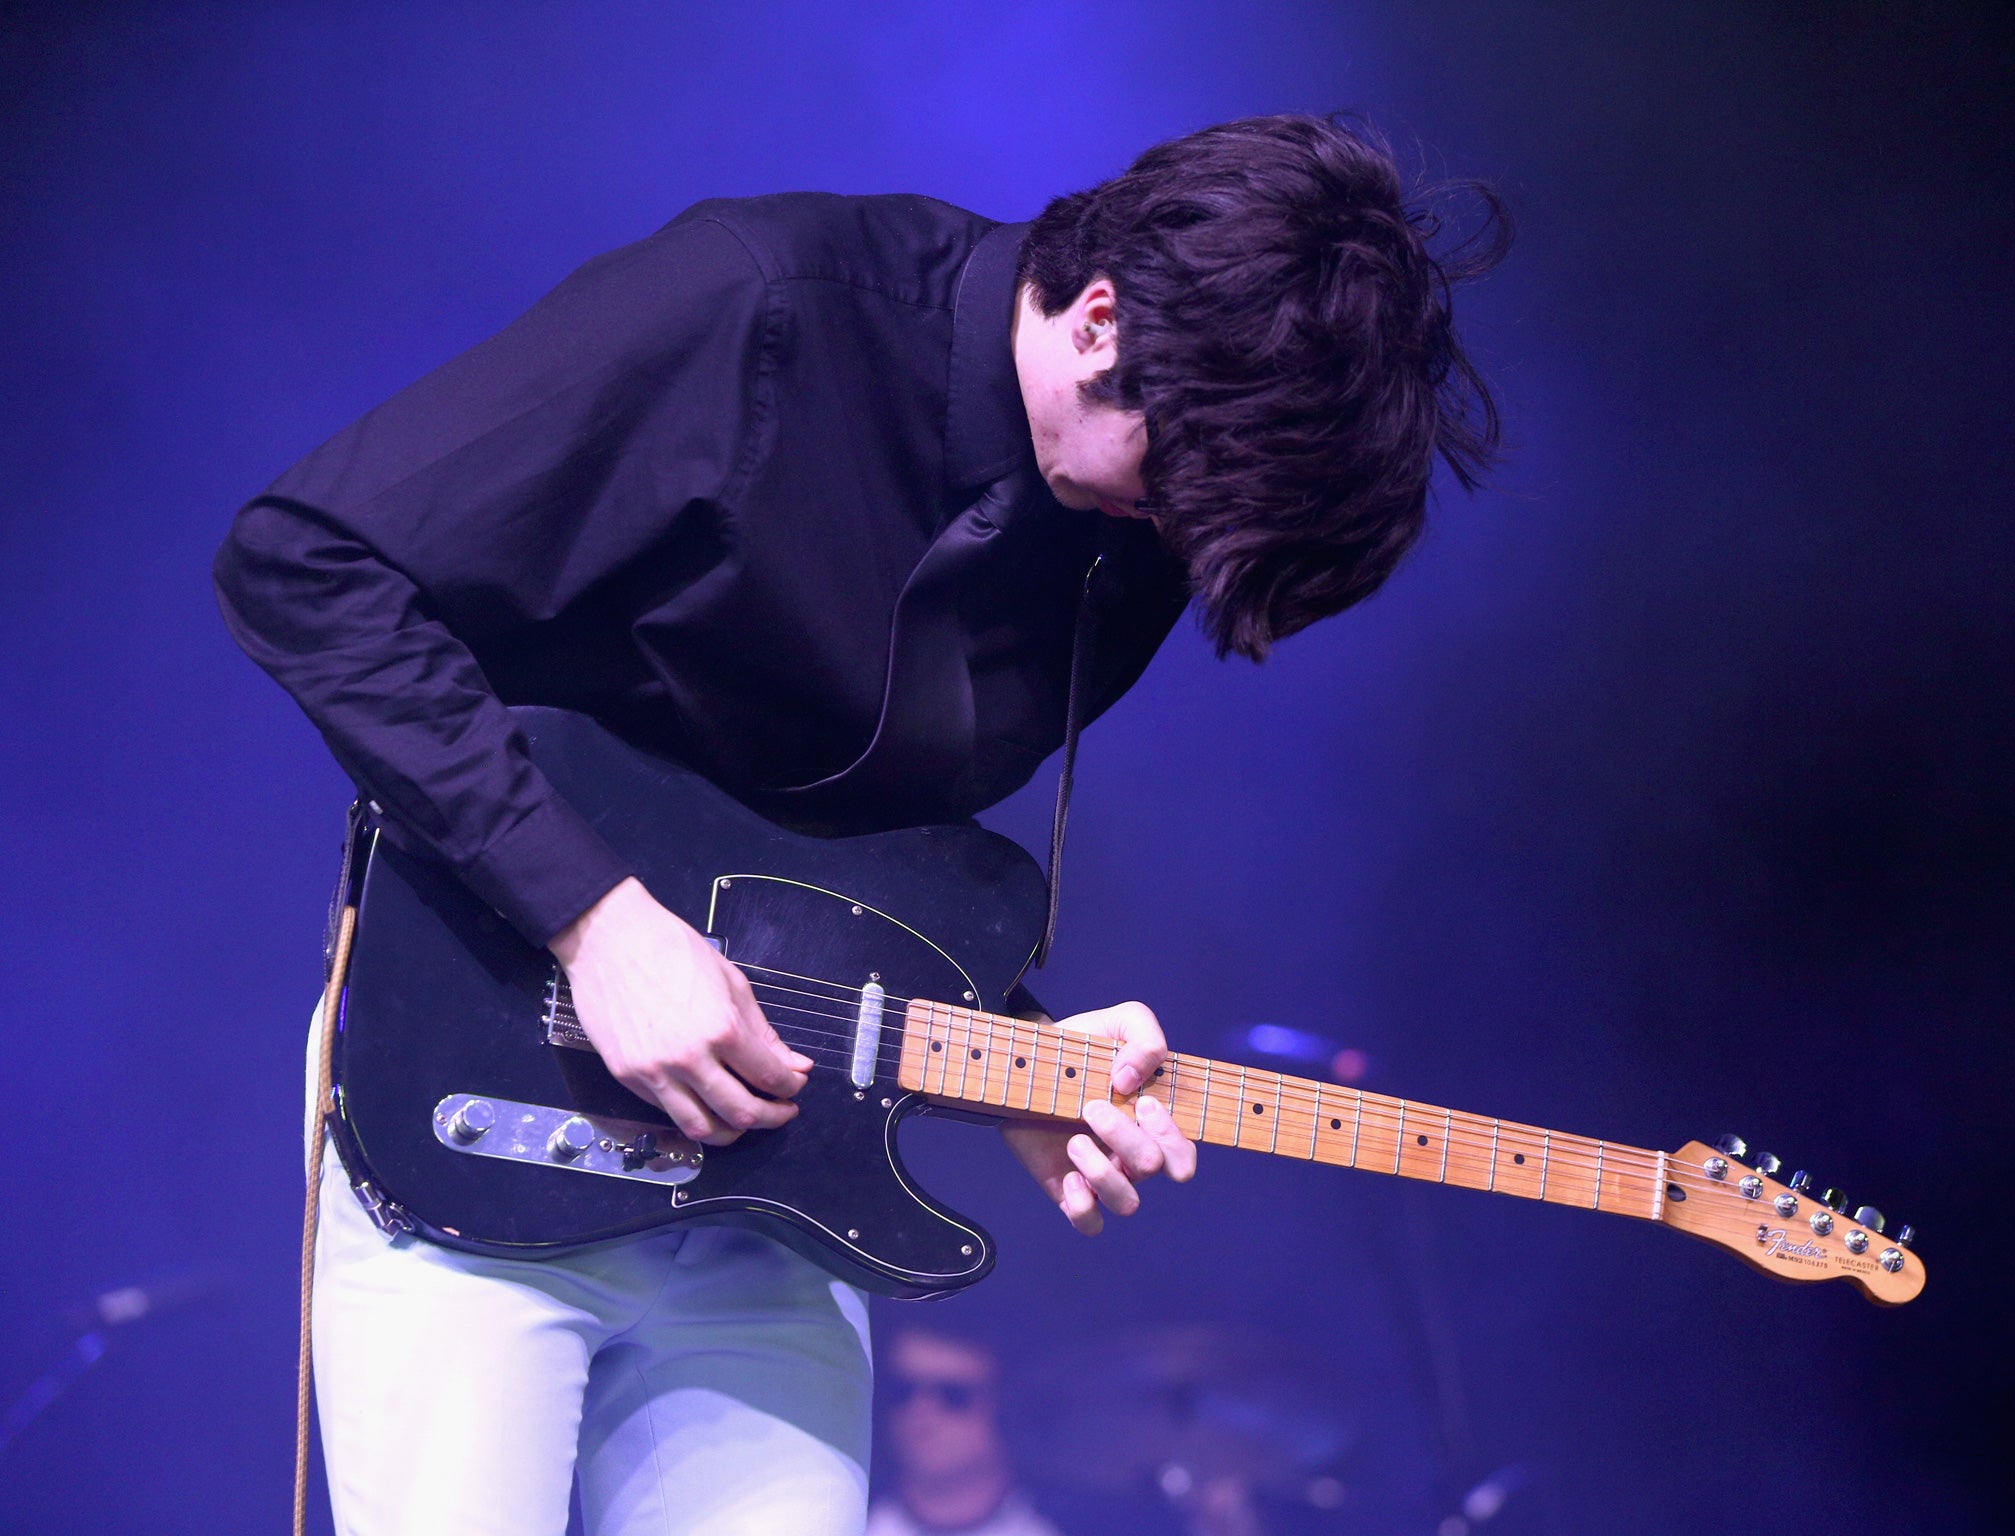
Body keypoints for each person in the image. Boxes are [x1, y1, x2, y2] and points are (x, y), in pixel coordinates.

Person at [214, 113, 1504, 1536]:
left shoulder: (1123, 532)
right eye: (1180, 485)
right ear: (1098, 321)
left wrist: (1014, 1041)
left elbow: (848, 858)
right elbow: (303, 561)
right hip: (482, 1116)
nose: (1172, 536)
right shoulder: (758, 304)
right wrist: (598, 919)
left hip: (773, 1185)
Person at [866, 1327, 1056, 1536]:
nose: (920, 1411)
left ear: (1005, 1407)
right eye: (902, 1390)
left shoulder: (1069, 1526)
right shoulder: (837, 1518)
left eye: (953, 1394)